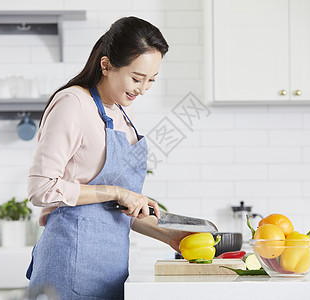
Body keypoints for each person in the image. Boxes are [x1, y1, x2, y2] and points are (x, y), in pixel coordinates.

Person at [25, 16, 189, 299]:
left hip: (109, 271)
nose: (143, 89)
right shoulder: (73, 103)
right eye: (137, 78)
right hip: (68, 266)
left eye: (151, 80)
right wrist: (117, 191)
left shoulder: (123, 113)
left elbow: (113, 210)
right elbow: (41, 189)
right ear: (106, 65)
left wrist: (169, 235)